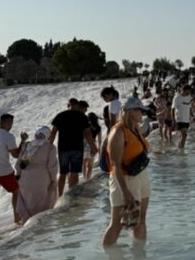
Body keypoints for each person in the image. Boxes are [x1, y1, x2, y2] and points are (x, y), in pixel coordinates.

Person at [103, 97, 152, 246]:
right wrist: (125, 192)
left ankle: (140, 255)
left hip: (140, 176)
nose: (142, 114)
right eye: (140, 111)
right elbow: (115, 164)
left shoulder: (134, 127)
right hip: (125, 179)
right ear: (130, 112)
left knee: (141, 220)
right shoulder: (118, 132)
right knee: (117, 225)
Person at [49, 99, 98, 196]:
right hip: (77, 148)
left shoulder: (60, 115)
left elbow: (53, 132)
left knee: (63, 173)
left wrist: (48, 146)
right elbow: (88, 134)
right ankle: (72, 195)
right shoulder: (82, 117)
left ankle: (60, 196)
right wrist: (93, 147)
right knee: (74, 172)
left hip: (63, 148)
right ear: (77, 105)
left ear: (68, 105)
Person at [15, 126, 58, 224]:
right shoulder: (50, 147)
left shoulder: (27, 145)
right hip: (42, 180)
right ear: (47, 135)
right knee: (43, 204)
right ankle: (41, 226)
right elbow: (52, 166)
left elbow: (19, 163)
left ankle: (26, 222)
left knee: (27, 202)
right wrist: (53, 180)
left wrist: (18, 175)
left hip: (25, 180)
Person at [171, 85, 193, 149]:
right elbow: (172, 109)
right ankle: (181, 150)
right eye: (189, 90)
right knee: (184, 135)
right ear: (185, 90)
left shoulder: (189, 97)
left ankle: (180, 149)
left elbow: (190, 107)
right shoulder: (177, 97)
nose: (189, 92)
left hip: (186, 119)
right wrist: (173, 120)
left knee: (182, 136)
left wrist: (192, 115)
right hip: (179, 119)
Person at [83, 112, 103, 181]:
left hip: (84, 144)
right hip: (93, 145)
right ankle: (87, 179)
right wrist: (99, 150)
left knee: (84, 164)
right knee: (90, 165)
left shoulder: (85, 125)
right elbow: (100, 141)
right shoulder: (98, 128)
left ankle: (84, 177)